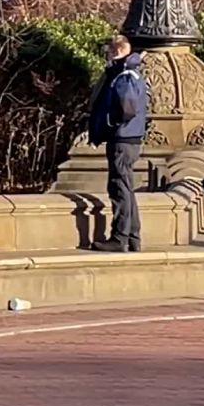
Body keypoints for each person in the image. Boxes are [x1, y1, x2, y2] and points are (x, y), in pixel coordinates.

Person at [88, 35, 148, 253]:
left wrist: (109, 124)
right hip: (128, 138)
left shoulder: (124, 76)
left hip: (122, 139)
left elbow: (126, 108)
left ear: (116, 50)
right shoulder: (129, 73)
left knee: (119, 187)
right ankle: (132, 237)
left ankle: (120, 237)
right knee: (126, 187)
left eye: (109, 50)